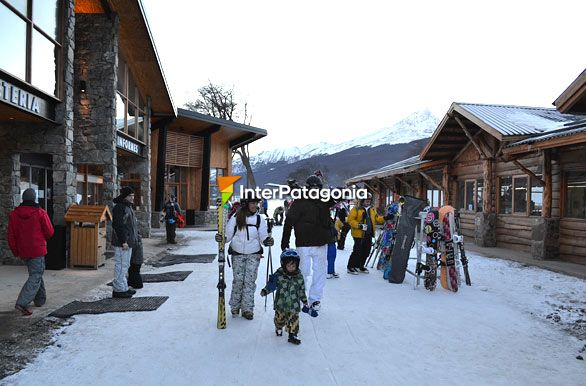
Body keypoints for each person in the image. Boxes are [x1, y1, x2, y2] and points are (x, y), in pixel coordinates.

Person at [281, 175, 334, 311]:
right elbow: (289, 221)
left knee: (320, 272)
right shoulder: (299, 202)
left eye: (318, 188)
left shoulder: (324, 200)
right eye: (313, 188)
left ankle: (315, 299)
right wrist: (285, 239)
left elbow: (337, 197)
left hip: (321, 242)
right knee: (303, 271)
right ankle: (300, 296)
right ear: (308, 188)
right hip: (304, 243)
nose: (315, 191)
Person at [216, 196, 273, 320]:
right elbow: (228, 235)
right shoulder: (236, 218)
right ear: (246, 204)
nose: (255, 206)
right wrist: (222, 239)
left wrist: (267, 240)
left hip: (254, 254)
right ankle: (235, 306)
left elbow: (263, 236)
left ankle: (247, 308)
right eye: (252, 203)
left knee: (249, 282)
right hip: (237, 254)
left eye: (256, 203)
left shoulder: (259, 219)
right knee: (238, 281)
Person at [8, 188, 54, 316]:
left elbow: (11, 235)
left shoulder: (14, 214)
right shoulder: (40, 213)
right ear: (34, 198)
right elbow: (50, 232)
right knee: (36, 274)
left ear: (23, 199)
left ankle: (40, 299)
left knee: (36, 272)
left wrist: (15, 251)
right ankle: (22, 303)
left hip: (23, 250)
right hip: (37, 249)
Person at [261, 249, 316, 345]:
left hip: (294, 305)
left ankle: (293, 335)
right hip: (280, 304)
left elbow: (301, 290)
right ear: (283, 264)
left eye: (293, 265)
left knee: (294, 320)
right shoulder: (279, 275)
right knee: (279, 320)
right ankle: (278, 326)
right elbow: (272, 285)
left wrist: (304, 301)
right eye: (289, 265)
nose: (291, 268)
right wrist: (265, 290)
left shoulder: (299, 277)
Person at [346, 194, 387, 274]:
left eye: (369, 200)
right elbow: (350, 220)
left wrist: (385, 218)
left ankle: (360, 266)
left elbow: (377, 218)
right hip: (358, 234)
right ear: (362, 200)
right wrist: (359, 225)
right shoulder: (356, 209)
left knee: (366, 251)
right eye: (366, 200)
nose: (368, 201)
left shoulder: (372, 209)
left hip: (368, 233)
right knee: (357, 250)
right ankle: (351, 266)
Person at [111, 186, 139, 298]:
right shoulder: (119, 208)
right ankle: (118, 290)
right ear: (125, 196)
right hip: (122, 243)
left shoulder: (128, 207)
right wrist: (123, 241)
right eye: (130, 196)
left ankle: (123, 287)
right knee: (121, 265)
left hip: (129, 242)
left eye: (133, 196)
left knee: (125, 265)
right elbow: (118, 226)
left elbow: (131, 225)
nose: (132, 198)